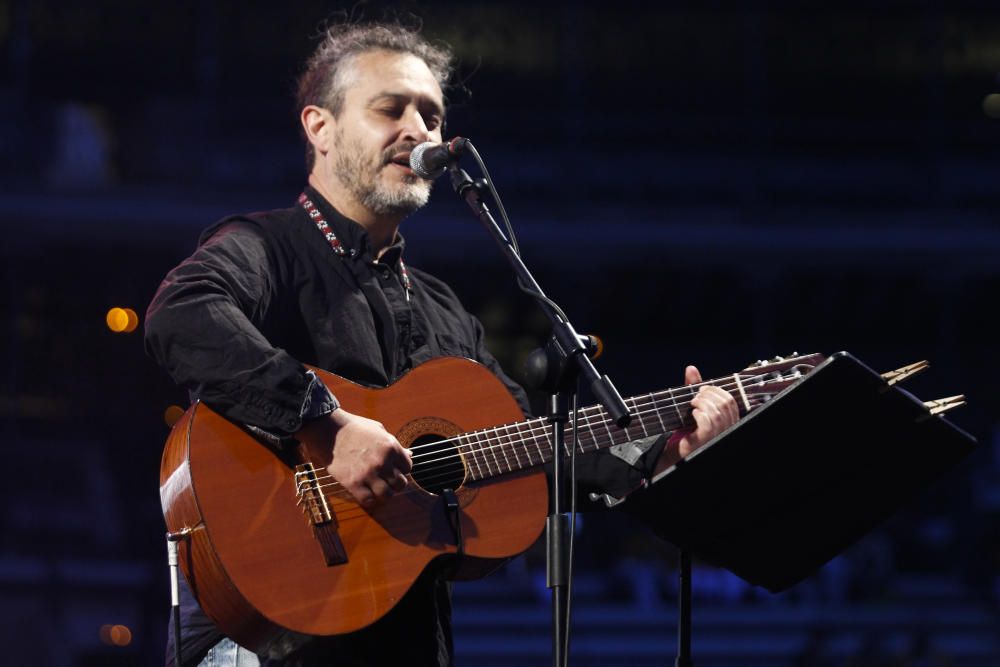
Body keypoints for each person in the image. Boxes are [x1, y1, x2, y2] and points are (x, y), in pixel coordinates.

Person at [145, 19, 738, 667]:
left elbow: (532, 443)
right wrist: (324, 423)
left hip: (404, 639)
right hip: (262, 636)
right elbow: (183, 313)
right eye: (390, 108)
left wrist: (659, 451)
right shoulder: (267, 248)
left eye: (431, 115)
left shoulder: (442, 310)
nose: (419, 130)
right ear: (319, 126)